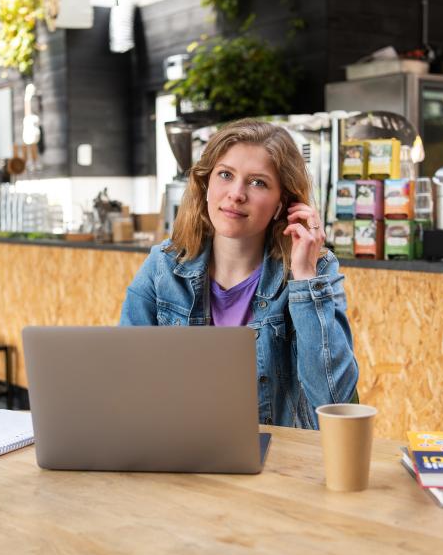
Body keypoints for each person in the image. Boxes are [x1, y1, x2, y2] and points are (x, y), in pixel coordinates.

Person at [120, 119, 358, 429]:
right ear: (206, 186)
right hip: (182, 452)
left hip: (281, 463)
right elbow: (126, 383)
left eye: (258, 182)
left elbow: (334, 400)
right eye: (225, 175)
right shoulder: (163, 267)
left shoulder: (315, 271)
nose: (236, 194)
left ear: (282, 205)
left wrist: (304, 280)